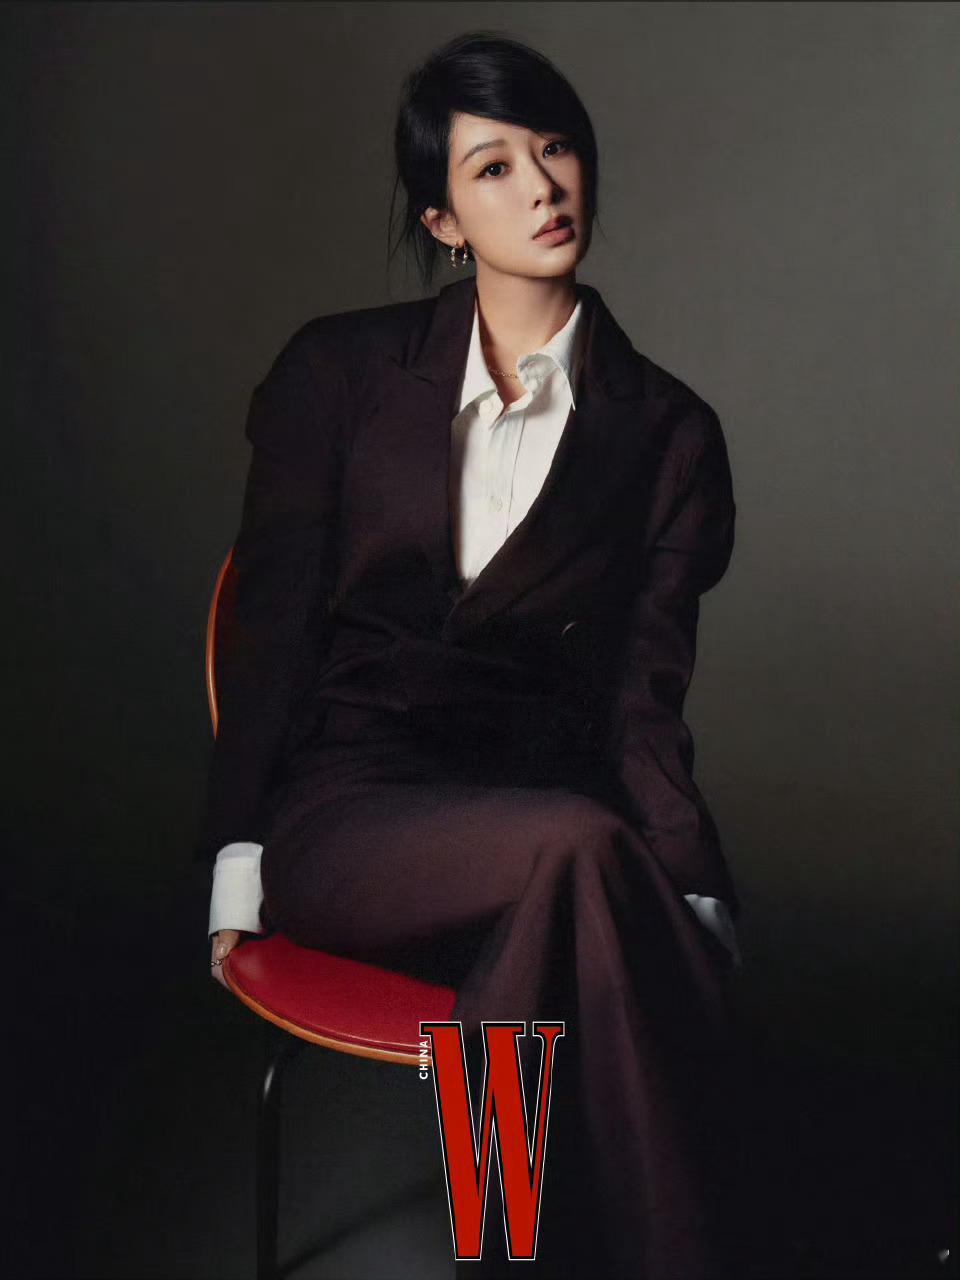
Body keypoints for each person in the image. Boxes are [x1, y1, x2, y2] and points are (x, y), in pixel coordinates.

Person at [194, 30, 746, 1279]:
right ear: (444, 220)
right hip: (352, 813)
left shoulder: (667, 433)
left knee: (559, 893)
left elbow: (644, 698)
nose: (542, 185)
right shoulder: (338, 373)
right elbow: (271, 632)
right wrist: (236, 866)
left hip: (538, 828)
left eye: (556, 147)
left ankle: (506, 1258)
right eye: (494, 166)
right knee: (583, 854)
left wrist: (689, 884)